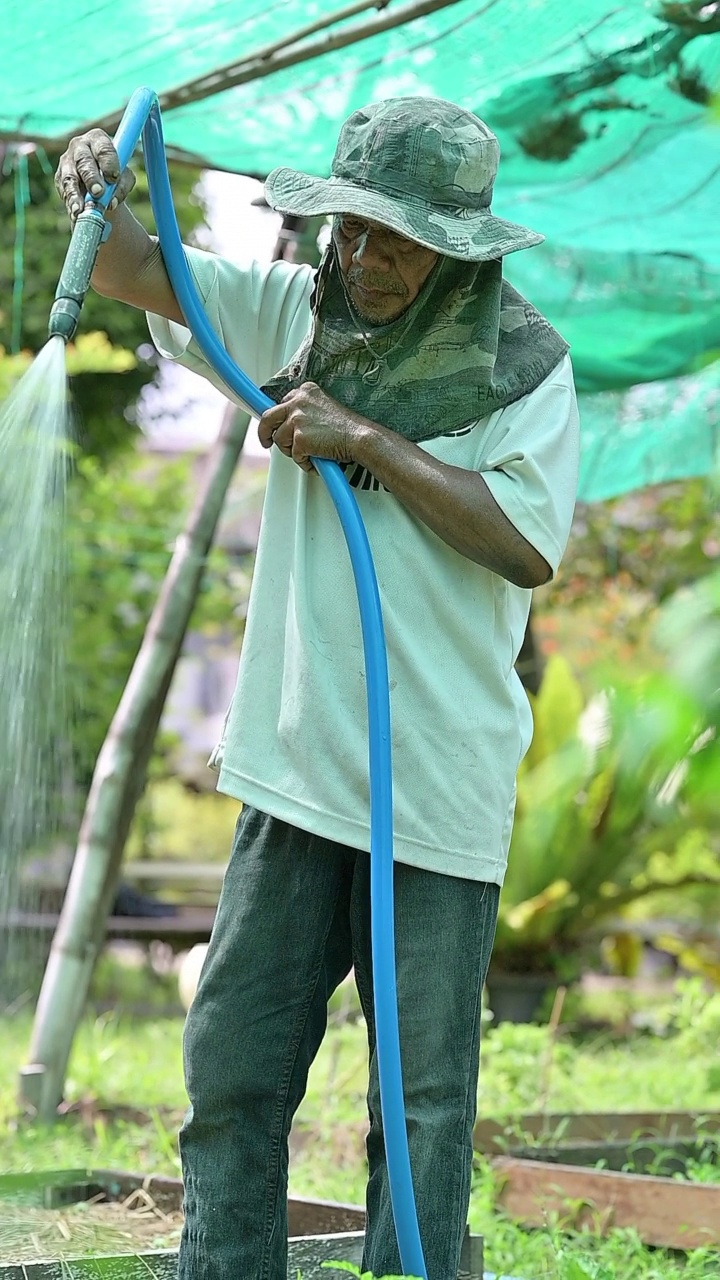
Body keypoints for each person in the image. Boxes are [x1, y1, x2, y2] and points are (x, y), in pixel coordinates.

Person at [56, 97, 580, 1280]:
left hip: (434, 789)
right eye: (348, 228)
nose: (363, 258)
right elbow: (142, 271)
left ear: (458, 247)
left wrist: (369, 441)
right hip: (296, 774)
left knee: (421, 1103)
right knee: (233, 1069)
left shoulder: (524, 370)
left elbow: (528, 544)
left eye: (394, 239)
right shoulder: (295, 310)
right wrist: (93, 186)